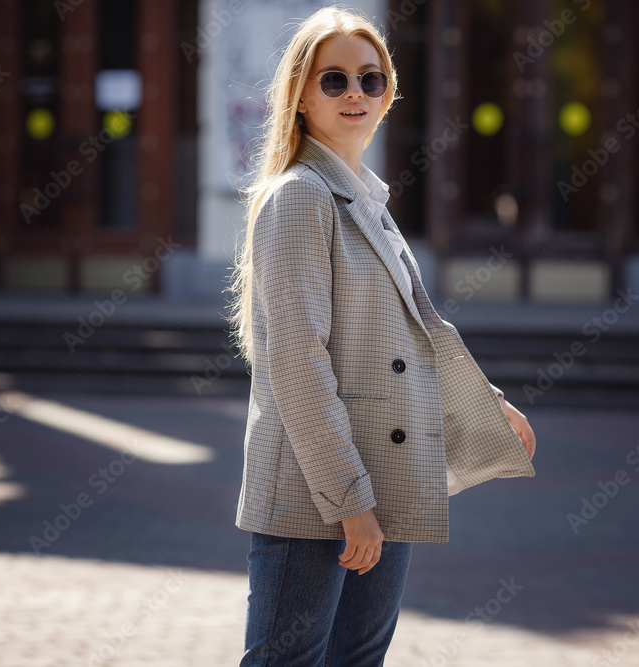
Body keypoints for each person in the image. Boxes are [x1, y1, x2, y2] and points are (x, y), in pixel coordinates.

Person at [225, 6, 536, 665]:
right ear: (302, 97)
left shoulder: (366, 199)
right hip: (322, 495)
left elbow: (417, 333)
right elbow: (298, 363)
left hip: (386, 478)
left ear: (390, 92)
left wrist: (491, 407)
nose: (355, 94)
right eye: (333, 80)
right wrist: (350, 501)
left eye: (371, 79)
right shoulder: (300, 197)